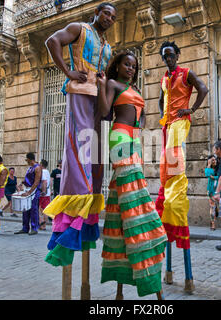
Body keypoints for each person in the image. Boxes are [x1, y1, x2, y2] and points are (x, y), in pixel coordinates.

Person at [43, 2, 117, 267]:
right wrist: (67, 72)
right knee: (79, 149)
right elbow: (53, 41)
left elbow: (106, 76)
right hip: (78, 93)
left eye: (113, 16)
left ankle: (87, 218)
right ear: (96, 13)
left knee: (95, 157)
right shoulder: (79, 28)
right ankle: (73, 215)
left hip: (97, 101)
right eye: (106, 13)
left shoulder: (107, 46)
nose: (109, 18)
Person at [97, 50, 167, 298]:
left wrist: (141, 130)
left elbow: (143, 116)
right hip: (119, 135)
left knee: (123, 200)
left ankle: (120, 289)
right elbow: (105, 112)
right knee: (133, 193)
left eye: (134, 66)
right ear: (117, 66)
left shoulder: (134, 89)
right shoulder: (113, 83)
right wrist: (102, 84)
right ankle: (145, 234)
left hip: (134, 139)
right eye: (127, 64)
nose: (131, 68)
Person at [155, 41, 208, 248]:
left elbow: (203, 89)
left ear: (177, 55)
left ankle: (174, 204)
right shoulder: (164, 78)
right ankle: (167, 204)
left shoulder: (186, 73)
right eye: (165, 56)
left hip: (180, 122)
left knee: (174, 160)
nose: (168, 59)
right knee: (166, 165)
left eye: (170, 55)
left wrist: (191, 110)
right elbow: (161, 100)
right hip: (167, 125)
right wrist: (162, 115)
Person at [14, 152, 42, 235]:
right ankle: (25, 228)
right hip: (27, 189)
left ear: (29, 159)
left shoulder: (37, 168)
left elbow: (36, 182)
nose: (26, 161)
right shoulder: (30, 168)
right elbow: (28, 179)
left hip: (34, 191)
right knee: (25, 209)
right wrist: (22, 183)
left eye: (27, 159)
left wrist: (30, 192)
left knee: (33, 209)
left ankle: (34, 228)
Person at [205, 155, 219, 230]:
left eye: (215, 160)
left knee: (219, 207)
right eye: (212, 160)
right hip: (211, 191)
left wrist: (213, 177)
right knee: (212, 207)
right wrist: (209, 165)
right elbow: (207, 174)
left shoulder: (219, 168)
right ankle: (213, 224)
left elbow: (220, 177)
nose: (215, 161)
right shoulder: (209, 169)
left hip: (219, 191)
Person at [39, 159, 51, 230]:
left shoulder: (42, 171)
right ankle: (44, 226)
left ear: (41, 165)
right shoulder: (47, 172)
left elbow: (45, 182)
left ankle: (42, 222)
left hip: (43, 193)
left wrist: (43, 191)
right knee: (45, 209)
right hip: (48, 192)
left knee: (38, 208)